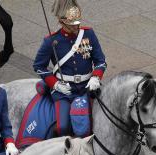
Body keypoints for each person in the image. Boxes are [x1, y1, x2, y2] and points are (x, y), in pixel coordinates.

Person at [33, 0, 106, 137]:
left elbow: (100, 61)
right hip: (64, 91)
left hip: (87, 87)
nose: (77, 27)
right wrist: (55, 84)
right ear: (62, 21)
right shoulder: (51, 41)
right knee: (63, 127)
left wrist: (96, 77)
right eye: (73, 24)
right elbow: (38, 66)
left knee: (98, 123)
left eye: (78, 23)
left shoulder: (88, 34)